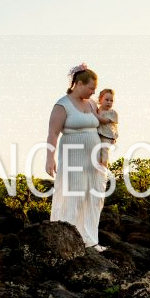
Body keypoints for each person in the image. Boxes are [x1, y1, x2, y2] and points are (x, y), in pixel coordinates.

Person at [46, 63, 110, 249]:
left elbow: (103, 124)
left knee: (94, 197)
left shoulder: (91, 104)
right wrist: (50, 158)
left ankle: (90, 240)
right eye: (91, 88)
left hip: (93, 159)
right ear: (79, 84)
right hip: (73, 156)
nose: (94, 92)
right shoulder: (62, 105)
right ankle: (69, 240)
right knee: (74, 195)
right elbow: (52, 133)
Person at [96, 88, 119, 168]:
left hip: (107, 136)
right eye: (107, 100)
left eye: (111, 101)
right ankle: (98, 166)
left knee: (104, 152)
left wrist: (94, 114)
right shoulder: (98, 110)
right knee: (97, 152)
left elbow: (104, 121)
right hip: (99, 134)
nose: (109, 102)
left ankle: (104, 168)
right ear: (100, 100)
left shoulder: (112, 112)